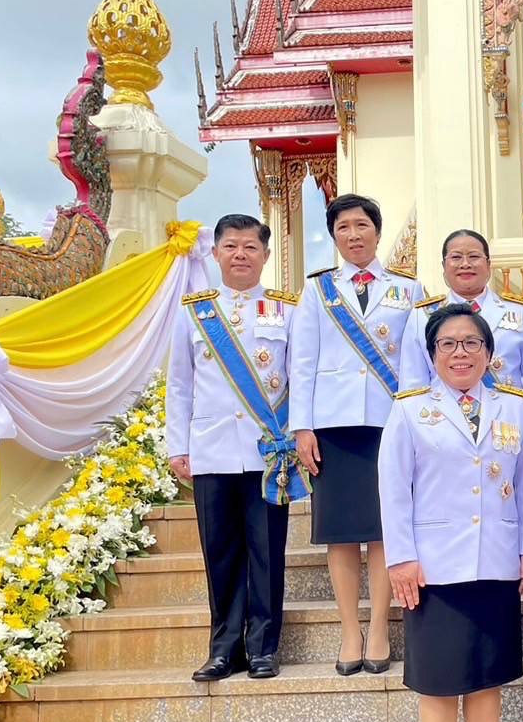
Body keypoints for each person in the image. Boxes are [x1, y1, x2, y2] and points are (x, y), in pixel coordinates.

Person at [379, 303, 523, 722]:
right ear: (432, 354)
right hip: (433, 567)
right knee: (440, 682)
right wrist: (401, 557)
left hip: (495, 558)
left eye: (471, 343)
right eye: (448, 344)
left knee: (487, 678)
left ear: (489, 353)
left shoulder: (516, 408)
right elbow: (394, 490)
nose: (461, 353)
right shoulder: (409, 410)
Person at [166, 214, 308, 682]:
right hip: (212, 451)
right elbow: (179, 385)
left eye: (250, 246)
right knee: (221, 553)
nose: (240, 254)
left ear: (266, 255)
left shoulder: (287, 310)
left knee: (267, 552)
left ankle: (264, 647)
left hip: (269, 453)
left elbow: (299, 379)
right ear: (215, 254)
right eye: (231, 246)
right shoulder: (195, 313)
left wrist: (297, 434)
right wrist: (177, 445)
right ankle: (225, 649)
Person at [290, 193, 426, 676]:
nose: (353, 235)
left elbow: (418, 362)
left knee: (385, 530)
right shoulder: (318, 290)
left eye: (361, 225)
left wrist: (418, 423)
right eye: (343, 227)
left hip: (389, 424)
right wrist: (301, 427)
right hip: (333, 426)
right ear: (334, 236)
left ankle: (380, 627)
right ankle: (350, 629)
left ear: (377, 231)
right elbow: (302, 361)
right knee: (342, 534)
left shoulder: (408, 289)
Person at [401, 229, 523, 390]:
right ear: (444, 266)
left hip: (506, 406)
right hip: (443, 406)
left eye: (474, 256)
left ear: (488, 265)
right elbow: (413, 382)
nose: (465, 264)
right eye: (456, 257)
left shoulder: (520, 312)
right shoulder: (422, 316)